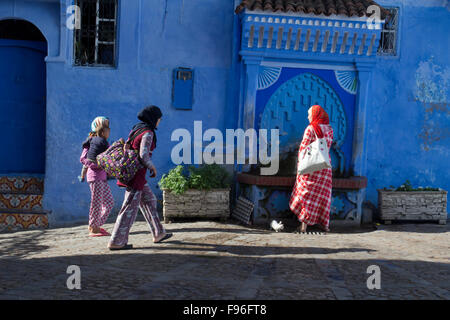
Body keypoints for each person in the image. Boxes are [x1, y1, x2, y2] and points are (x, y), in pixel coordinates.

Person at [108, 105, 172, 250]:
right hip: (135, 176)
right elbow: (143, 155)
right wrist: (152, 167)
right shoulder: (147, 133)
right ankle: (116, 241)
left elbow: (128, 148)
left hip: (134, 175)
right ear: (153, 118)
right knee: (129, 208)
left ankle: (159, 233)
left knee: (150, 200)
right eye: (159, 119)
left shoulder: (136, 129)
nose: (159, 122)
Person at [289, 105, 334, 233]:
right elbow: (327, 146)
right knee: (322, 197)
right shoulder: (329, 129)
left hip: (310, 167)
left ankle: (303, 227)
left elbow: (303, 148)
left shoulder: (310, 129)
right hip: (325, 168)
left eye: (310, 114)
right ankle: (324, 225)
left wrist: (299, 165)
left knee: (306, 195)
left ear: (315, 115)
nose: (308, 117)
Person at [80, 116, 114, 237]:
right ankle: (94, 229)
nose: (109, 130)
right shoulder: (90, 142)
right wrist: (95, 164)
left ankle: (95, 225)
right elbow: (83, 158)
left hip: (103, 177)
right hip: (94, 176)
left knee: (109, 202)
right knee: (97, 203)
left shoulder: (104, 142)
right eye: (106, 127)